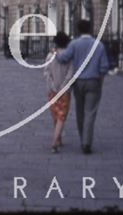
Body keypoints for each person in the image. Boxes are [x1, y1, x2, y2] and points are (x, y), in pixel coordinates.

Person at [56, 19, 109, 154]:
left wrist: (56, 52)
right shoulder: (99, 45)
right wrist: (100, 80)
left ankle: (82, 139)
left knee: (80, 112)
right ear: (90, 29)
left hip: (78, 82)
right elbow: (104, 67)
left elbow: (63, 58)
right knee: (90, 112)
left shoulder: (74, 44)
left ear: (79, 30)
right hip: (93, 80)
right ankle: (87, 142)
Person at [43, 31, 73, 153]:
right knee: (61, 115)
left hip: (52, 90)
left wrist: (52, 85)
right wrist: (63, 87)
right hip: (64, 91)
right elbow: (70, 73)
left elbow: (46, 73)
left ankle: (58, 138)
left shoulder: (50, 56)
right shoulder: (70, 57)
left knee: (55, 114)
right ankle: (55, 141)